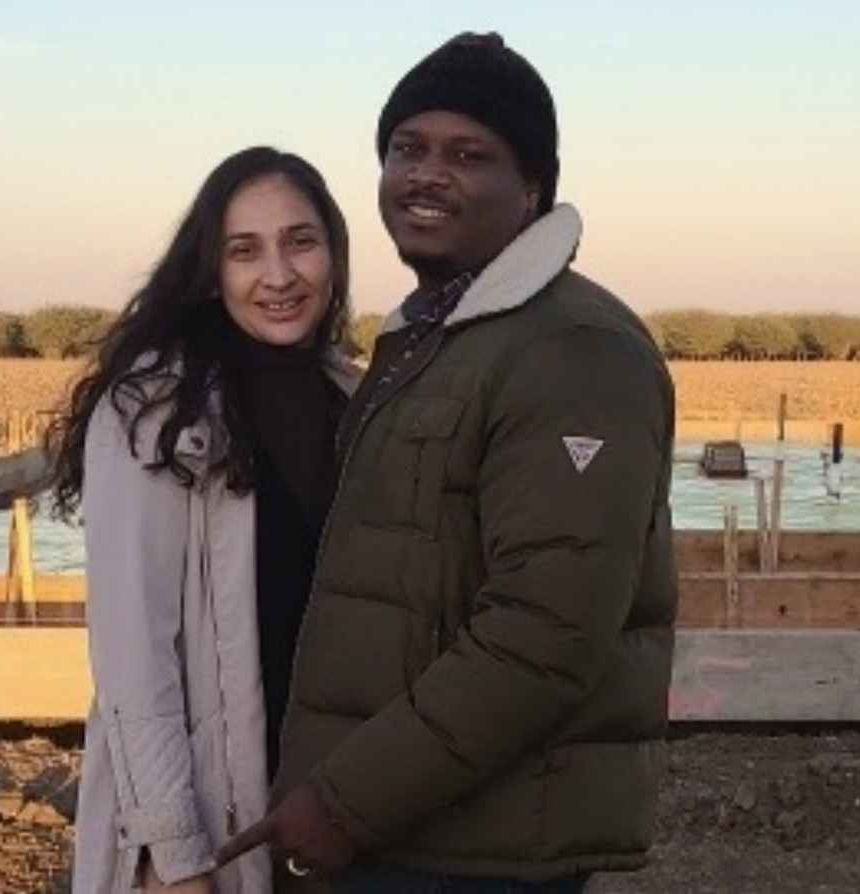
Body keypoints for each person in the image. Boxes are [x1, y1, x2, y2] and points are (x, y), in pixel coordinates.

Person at [215, 31, 678, 893]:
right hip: (415, 825)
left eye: (468, 154)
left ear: (532, 187)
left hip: (474, 850)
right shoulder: (435, 337)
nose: (427, 173)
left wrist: (347, 804)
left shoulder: (572, 349)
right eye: (406, 148)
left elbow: (544, 635)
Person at [48, 146, 358, 893]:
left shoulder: (355, 399)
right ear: (211, 272)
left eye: (301, 242)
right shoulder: (156, 415)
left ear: (334, 255)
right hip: (218, 820)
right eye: (245, 251)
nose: (278, 276)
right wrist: (173, 853)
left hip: (337, 814)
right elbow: (132, 655)